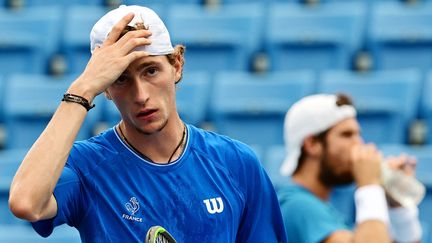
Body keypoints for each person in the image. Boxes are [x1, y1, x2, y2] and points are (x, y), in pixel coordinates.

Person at [8, 5, 287, 242]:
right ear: (105, 88)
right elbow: (26, 203)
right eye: (120, 79)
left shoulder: (236, 162)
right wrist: (82, 89)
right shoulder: (86, 166)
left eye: (151, 70)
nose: (141, 95)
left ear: (177, 65)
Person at [278, 93, 422, 243]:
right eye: (347, 135)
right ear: (312, 144)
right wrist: (369, 187)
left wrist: (398, 209)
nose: (359, 144)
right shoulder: (297, 206)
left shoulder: (320, 208)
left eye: (358, 135)